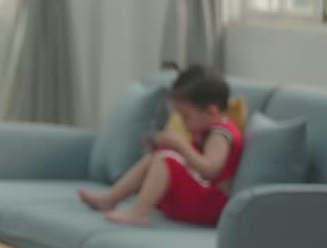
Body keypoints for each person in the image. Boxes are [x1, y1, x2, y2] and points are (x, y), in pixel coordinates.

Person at [78, 66, 243, 227]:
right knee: (159, 156)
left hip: (209, 206)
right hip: (198, 199)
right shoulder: (205, 129)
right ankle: (110, 199)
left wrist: (181, 147)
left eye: (186, 116)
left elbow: (210, 170)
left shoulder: (219, 134)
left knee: (166, 159)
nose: (183, 123)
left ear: (212, 112)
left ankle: (138, 212)